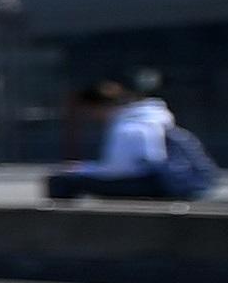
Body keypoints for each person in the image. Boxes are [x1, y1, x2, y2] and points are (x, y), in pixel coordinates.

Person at [42, 76, 219, 202]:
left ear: (101, 107)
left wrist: (80, 169)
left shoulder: (128, 127)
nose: (92, 118)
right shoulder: (154, 116)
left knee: (62, 181)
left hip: (160, 184)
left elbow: (120, 169)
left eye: (91, 112)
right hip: (175, 181)